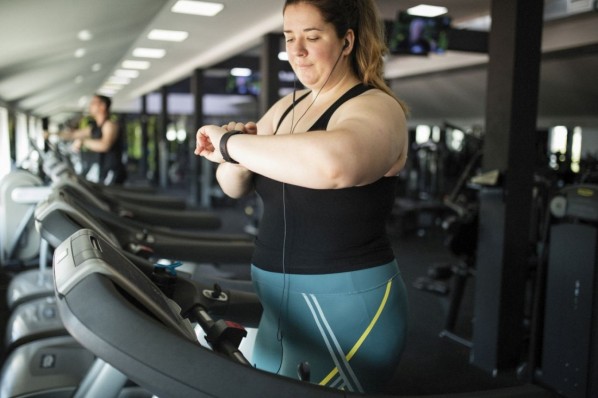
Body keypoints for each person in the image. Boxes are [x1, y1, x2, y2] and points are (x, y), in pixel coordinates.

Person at [195, 0, 409, 393]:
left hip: (346, 310)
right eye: (290, 37)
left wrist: (230, 143)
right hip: (278, 304)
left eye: (312, 37)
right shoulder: (285, 108)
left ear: (346, 41)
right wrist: (238, 154)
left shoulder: (377, 107)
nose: (297, 50)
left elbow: (335, 165)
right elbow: (232, 184)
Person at [67, 94, 127, 185]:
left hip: (111, 172)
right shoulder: (95, 127)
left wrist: (83, 142)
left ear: (102, 106)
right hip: (101, 171)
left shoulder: (109, 124)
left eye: (93, 103)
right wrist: (51, 133)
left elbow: (105, 145)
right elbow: (73, 134)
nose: (90, 106)